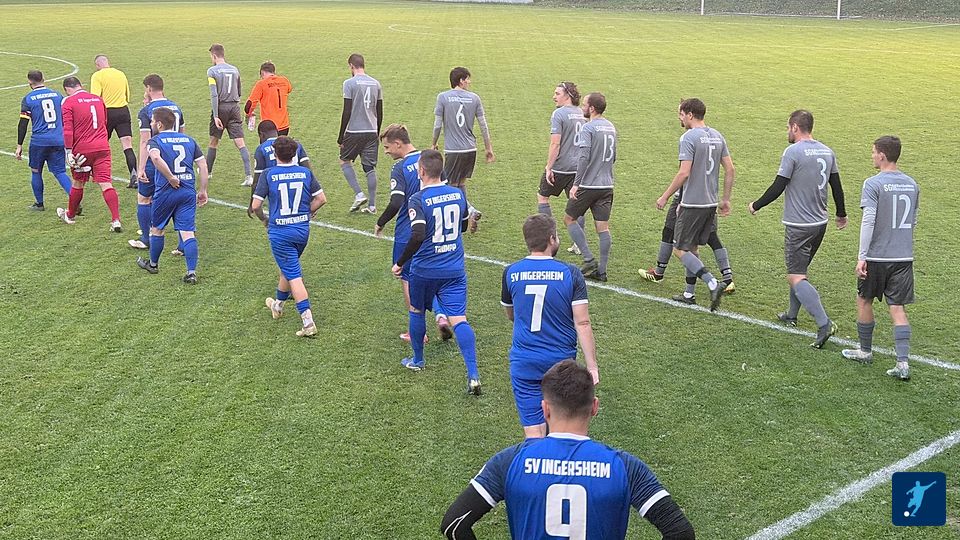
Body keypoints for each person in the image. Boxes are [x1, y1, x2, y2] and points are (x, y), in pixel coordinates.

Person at [440, 360, 695, 540]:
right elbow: (680, 532)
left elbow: (453, 524)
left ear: (545, 409)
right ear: (594, 407)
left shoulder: (510, 462)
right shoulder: (625, 468)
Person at [749, 110, 847, 348]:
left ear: (795, 127)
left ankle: (824, 323)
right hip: (820, 224)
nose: (787, 131)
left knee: (795, 276)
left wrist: (756, 205)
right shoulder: (827, 151)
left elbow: (779, 185)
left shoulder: (793, 152)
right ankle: (791, 315)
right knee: (800, 272)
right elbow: (836, 185)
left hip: (799, 225)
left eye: (788, 127)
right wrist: (841, 214)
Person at [501, 214, 599, 438]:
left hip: (524, 361)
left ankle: (536, 456)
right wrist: (592, 366)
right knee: (560, 430)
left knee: (534, 434)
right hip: (560, 364)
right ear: (552, 239)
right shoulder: (570, 273)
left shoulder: (511, 272)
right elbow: (582, 322)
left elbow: (511, 314)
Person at [392, 150, 481, 395]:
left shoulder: (418, 199)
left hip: (425, 269)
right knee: (459, 319)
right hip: (454, 268)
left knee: (416, 310)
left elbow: (418, 234)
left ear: (421, 171)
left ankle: (418, 360)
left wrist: (400, 262)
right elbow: (463, 226)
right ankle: (473, 375)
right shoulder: (458, 194)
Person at [841, 136, 919, 381]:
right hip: (903, 256)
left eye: (874, 152)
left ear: (883, 155)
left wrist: (862, 256)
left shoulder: (873, 183)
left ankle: (865, 351)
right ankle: (903, 363)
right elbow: (913, 221)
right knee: (897, 307)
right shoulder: (912, 184)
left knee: (864, 300)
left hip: (877, 257)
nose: (872, 156)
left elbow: (868, 221)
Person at [374, 124, 452, 343]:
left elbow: (396, 201)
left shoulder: (400, 168)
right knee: (430, 275)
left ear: (398, 144)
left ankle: (418, 332)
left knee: (408, 278)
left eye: (387, 147)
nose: (386, 152)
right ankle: (441, 316)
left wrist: (381, 222)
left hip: (407, 233)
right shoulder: (432, 159)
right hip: (433, 230)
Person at [655, 98, 735, 312]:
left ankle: (712, 283)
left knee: (679, 249)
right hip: (710, 203)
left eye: (681, 114)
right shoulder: (717, 136)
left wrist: (665, 196)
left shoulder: (689, 137)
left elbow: (684, 173)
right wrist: (725, 199)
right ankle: (689, 294)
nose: (679, 118)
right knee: (692, 248)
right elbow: (730, 169)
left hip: (692, 203)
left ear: (690, 114)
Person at [252, 136, 327, 337]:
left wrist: (265, 220)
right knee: (288, 267)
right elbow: (321, 199)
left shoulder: (268, 174)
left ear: (275, 153)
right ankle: (277, 306)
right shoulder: (305, 173)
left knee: (294, 275)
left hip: (280, 232)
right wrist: (306, 212)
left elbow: (256, 205)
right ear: (295, 154)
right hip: (302, 231)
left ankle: (308, 322)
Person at [135, 108, 209, 284]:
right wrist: (203, 190)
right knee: (188, 232)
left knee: (157, 229)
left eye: (153, 121)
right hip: (187, 191)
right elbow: (203, 165)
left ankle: (153, 264)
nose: (151, 124)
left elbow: (155, 158)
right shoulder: (189, 140)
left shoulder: (155, 141)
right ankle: (191, 272)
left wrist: (170, 177)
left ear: (160, 124)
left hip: (166, 192)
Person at [56, 77, 122, 232]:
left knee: (78, 182)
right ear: (80, 85)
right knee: (106, 183)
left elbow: (68, 129)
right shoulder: (98, 99)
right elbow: (104, 122)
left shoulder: (68, 102)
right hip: (102, 147)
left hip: (82, 150)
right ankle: (116, 220)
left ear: (67, 89)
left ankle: (70, 215)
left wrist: (68, 151)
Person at [432, 66, 494, 232]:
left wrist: (433, 143)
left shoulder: (443, 97)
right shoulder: (474, 98)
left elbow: (437, 124)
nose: (469, 82)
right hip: (470, 149)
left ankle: (467, 213)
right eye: (467, 79)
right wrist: (488, 148)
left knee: (450, 185)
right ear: (461, 80)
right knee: (460, 183)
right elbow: (483, 125)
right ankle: (465, 215)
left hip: (453, 150)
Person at [563, 92, 616, 282]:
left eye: (585, 104)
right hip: (607, 185)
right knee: (603, 228)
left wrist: (576, 184)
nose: (582, 107)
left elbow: (583, 158)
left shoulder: (588, 128)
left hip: (588, 185)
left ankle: (588, 259)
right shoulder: (611, 127)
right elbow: (614, 157)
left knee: (569, 219)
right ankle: (602, 271)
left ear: (592, 108)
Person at [130, 74, 186, 251]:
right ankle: (183, 243)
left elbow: (145, 141)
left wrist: (140, 168)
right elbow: (182, 134)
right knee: (176, 199)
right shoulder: (176, 107)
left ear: (148, 88)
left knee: (144, 198)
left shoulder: (147, 111)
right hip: (176, 160)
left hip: (155, 160)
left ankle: (146, 238)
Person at [538, 82, 586, 253]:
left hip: (560, 167)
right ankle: (578, 244)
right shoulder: (582, 113)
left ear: (568, 95)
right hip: (578, 168)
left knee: (543, 197)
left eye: (557, 93)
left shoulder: (559, 114)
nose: (554, 97)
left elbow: (555, 144)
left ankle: (551, 238)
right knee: (577, 206)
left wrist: (548, 167)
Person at [15, 70, 72, 211]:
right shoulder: (57, 95)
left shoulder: (28, 99)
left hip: (39, 142)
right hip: (58, 139)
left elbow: (23, 124)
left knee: (36, 171)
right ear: (43, 79)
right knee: (60, 172)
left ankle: (39, 204)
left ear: (29, 82)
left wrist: (19, 145)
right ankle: (75, 200)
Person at [337, 53, 382, 214]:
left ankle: (359, 194)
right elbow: (380, 111)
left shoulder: (349, 83)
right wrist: (377, 132)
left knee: (344, 160)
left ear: (351, 66)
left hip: (354, 131)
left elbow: (347, 111)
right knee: (369, 167)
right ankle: (372, 206)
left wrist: (341, 136)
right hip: (371, 131)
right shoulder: (376, 83)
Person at [205, 44, 253, 186]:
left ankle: (208, 172)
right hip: (234, 107)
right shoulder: (234, 69)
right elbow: (239, 91)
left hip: (221, 108)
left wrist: (216, 115)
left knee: (214, 141)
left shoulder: (212, 71)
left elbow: (214, 94)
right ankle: (249, 176)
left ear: (214, 55)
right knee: (240, 143)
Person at [90, 55, 138, 187]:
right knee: (127, 145)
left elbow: (95, 98)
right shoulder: (120, 74)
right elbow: (127, 95)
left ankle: (97, 172)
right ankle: (134, 175)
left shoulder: (97, 76)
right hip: (123, 111)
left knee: (101, 143)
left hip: (107, 112)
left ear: (97, 65)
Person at [247, 120, 311, 216]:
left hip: (278, 193)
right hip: (298, 190)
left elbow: (256, 181)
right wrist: (312, 199)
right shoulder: (294, 145)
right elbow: (308, 172)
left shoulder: (261, 149)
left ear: (261, 135)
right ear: (277, 131)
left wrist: (252, 203)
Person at [244, 61, 293, 136]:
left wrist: (248, 114)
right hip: (284, 126)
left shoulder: (261, 84)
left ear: (262, 73)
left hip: (269, 126)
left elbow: (250, 104)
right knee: (282, 143)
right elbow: (289, 89)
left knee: (268, 144)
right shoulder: (284, 81)